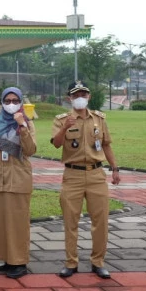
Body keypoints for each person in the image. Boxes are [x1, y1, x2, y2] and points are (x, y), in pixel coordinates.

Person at [52, 81, 121, 279]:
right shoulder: (62, 119)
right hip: (72, 174)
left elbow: (106, 145)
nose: (80, 97)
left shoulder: (98, 119)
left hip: (96, 174)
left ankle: (98, 262)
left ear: (88, 97)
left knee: (101, 221)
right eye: (76, 95)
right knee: (70, 221)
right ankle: (71, 262)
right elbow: (56, 144)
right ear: (70, 99)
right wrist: (64, 128)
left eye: (83, 94)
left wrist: (114, 168)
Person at [0, 87, 36, 279]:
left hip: (18, 179)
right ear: (2, 102)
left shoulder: (27, 123)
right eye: (8, 100)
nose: (11, 103)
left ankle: (19, 261)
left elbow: (30, 150)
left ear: (21, 102)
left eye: (15, 100)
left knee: (18, 222)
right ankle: (6, 259)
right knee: (1, 221)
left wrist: (22, 126)